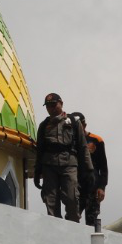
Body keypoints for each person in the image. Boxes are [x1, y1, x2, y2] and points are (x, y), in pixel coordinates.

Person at [33, 93, 92, 222]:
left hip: (69, 164)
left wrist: (89, 171)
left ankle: (73, 228)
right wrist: (37, 172)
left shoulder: (73, 122)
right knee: (51, 201)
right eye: (48, 106)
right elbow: (40, 150)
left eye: (53, 105)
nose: (51, 108)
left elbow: (83, 147)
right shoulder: (44, 125)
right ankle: (55, 231)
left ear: (61, 104)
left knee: (71, 198)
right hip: (49, 165)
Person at [70, 112, 108, 225]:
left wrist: (102, 187)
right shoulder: (69, 141)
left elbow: (103, 167)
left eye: (79, 124)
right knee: (72, 218)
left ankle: (94, 242)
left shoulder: (96, 140)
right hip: (76, 186)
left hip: (93, 186)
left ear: (84, 124)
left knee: (92, 220)